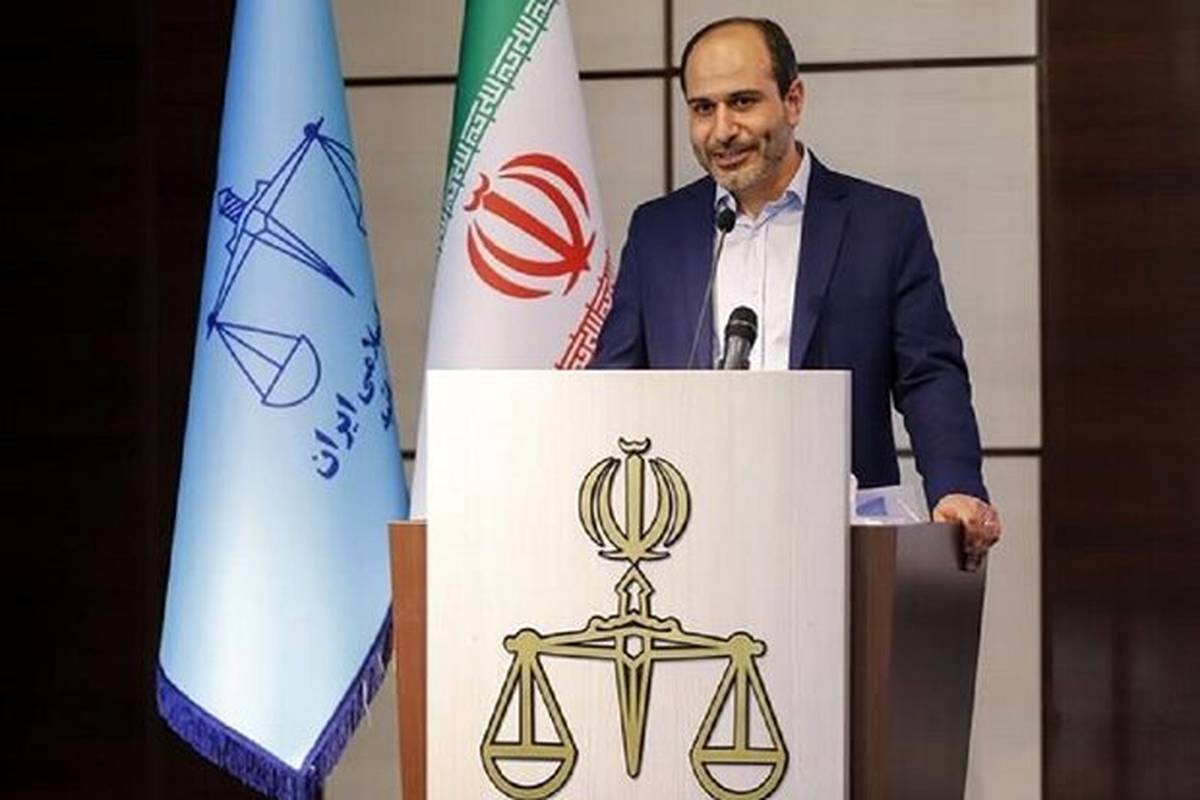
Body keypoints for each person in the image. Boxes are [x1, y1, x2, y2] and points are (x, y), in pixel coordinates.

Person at [592, 16, 1001, 568]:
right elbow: (613, 387)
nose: (722, 130)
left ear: (793, 100)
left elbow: (929, 373)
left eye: (742, 102)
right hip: (688, 543)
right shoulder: (658, 231)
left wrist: (956, 487)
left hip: (838, 539)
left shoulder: (883, 224)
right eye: (703, 108)